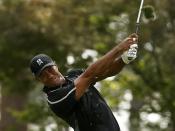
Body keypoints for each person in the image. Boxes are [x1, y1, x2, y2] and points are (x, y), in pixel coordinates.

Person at [30, 33, 138, 131]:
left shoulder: (74, 75)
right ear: (39, 80)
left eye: (49, 69)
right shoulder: (55, 98)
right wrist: (119, 48)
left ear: (55, 65)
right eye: (42, 75)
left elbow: (106, 72)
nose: (49, 75)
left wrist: (124, 59)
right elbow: (89, 75)